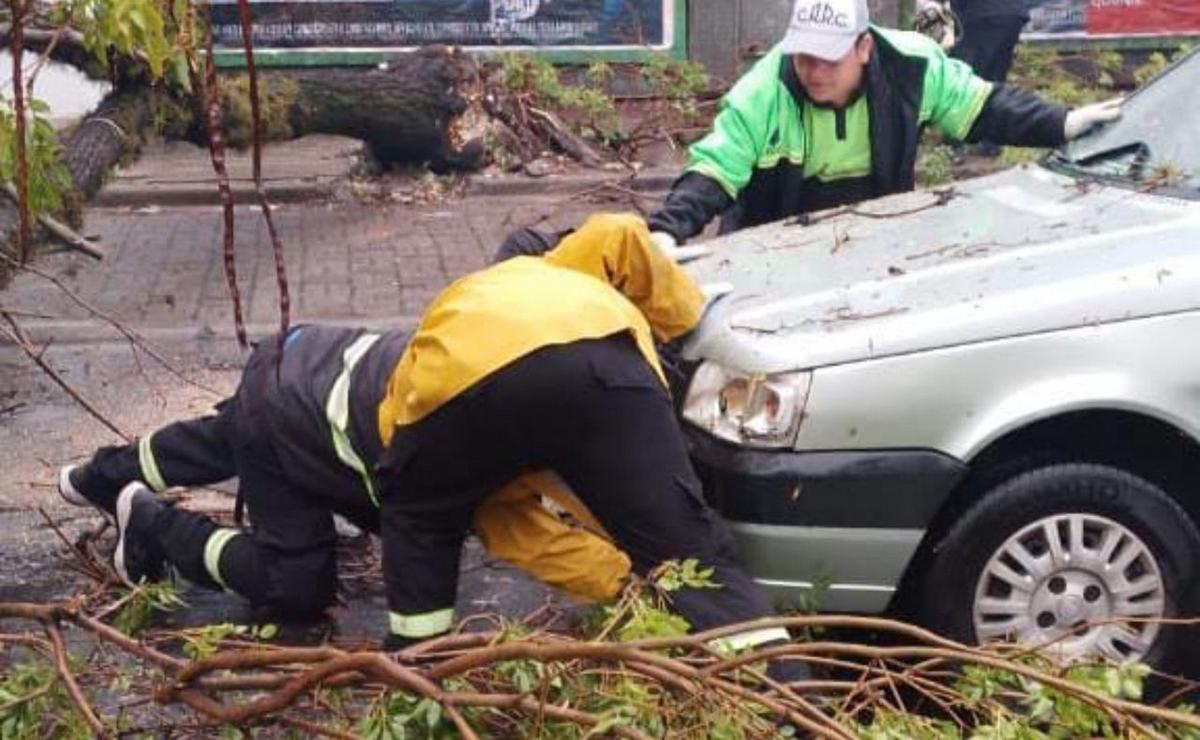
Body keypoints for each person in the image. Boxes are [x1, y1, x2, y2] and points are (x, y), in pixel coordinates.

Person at [60, 213, 804, 677]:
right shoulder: (506, 436)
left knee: (226, 439)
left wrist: (688, 323)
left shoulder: (525, 283)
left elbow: (617, 234)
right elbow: (531, 540)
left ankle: (99, 476)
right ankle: (156, 527)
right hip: (299, 406)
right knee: (298, 585)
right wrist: (691, 325)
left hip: (311, 369)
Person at [646, 0, 1123, 246]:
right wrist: (667, 231)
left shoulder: (911, 67)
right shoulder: (764, 89)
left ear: (864, 47)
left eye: (829, 58)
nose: (812, 71)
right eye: (804, 56)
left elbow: (983, 106)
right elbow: (714, 170)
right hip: (770, 238)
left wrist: (1062, 122)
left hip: (873, 233)